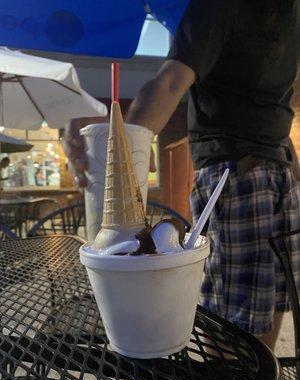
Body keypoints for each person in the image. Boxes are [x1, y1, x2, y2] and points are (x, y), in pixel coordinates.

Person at [63, 0, 300, 351]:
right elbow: (171, 82)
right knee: (237, 318)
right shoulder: (220, 7)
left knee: (274, 298)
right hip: (237, 173)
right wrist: (123, 151)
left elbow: (287, 97)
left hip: (280, 167)